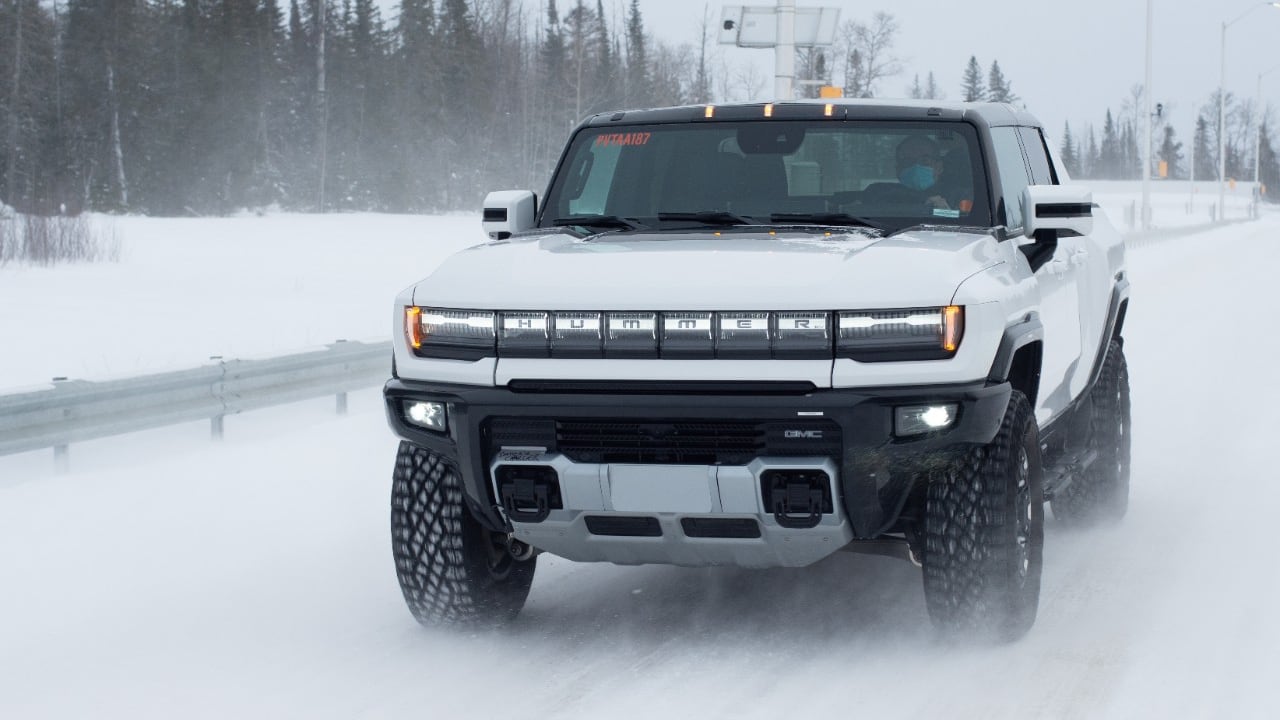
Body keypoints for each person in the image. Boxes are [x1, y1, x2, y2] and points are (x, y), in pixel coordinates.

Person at [894, 135, 950, 210]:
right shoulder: (880, 196)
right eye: (907, 161)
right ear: (898, 170)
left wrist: (945, 212)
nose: (916, 167)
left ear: (939, 167)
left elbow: (960, 216)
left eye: (925, 161)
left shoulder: (960, 197)